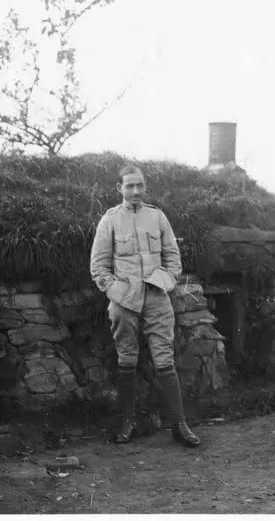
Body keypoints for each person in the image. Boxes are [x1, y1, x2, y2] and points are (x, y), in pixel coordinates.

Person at [89, 165, 200, 447]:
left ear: (145, 187)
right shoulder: (110, 220)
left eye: (140, 185)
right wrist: (117, 293)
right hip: (123, 302)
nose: (135, 191)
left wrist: (163, 282)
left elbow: (173, 260)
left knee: (165, 360)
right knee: (127, 360)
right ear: (120, 189)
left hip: (156, 298)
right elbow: (98, 267)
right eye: (129, 186)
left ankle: (179, 425)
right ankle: (127, 422)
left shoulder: (157, 217)